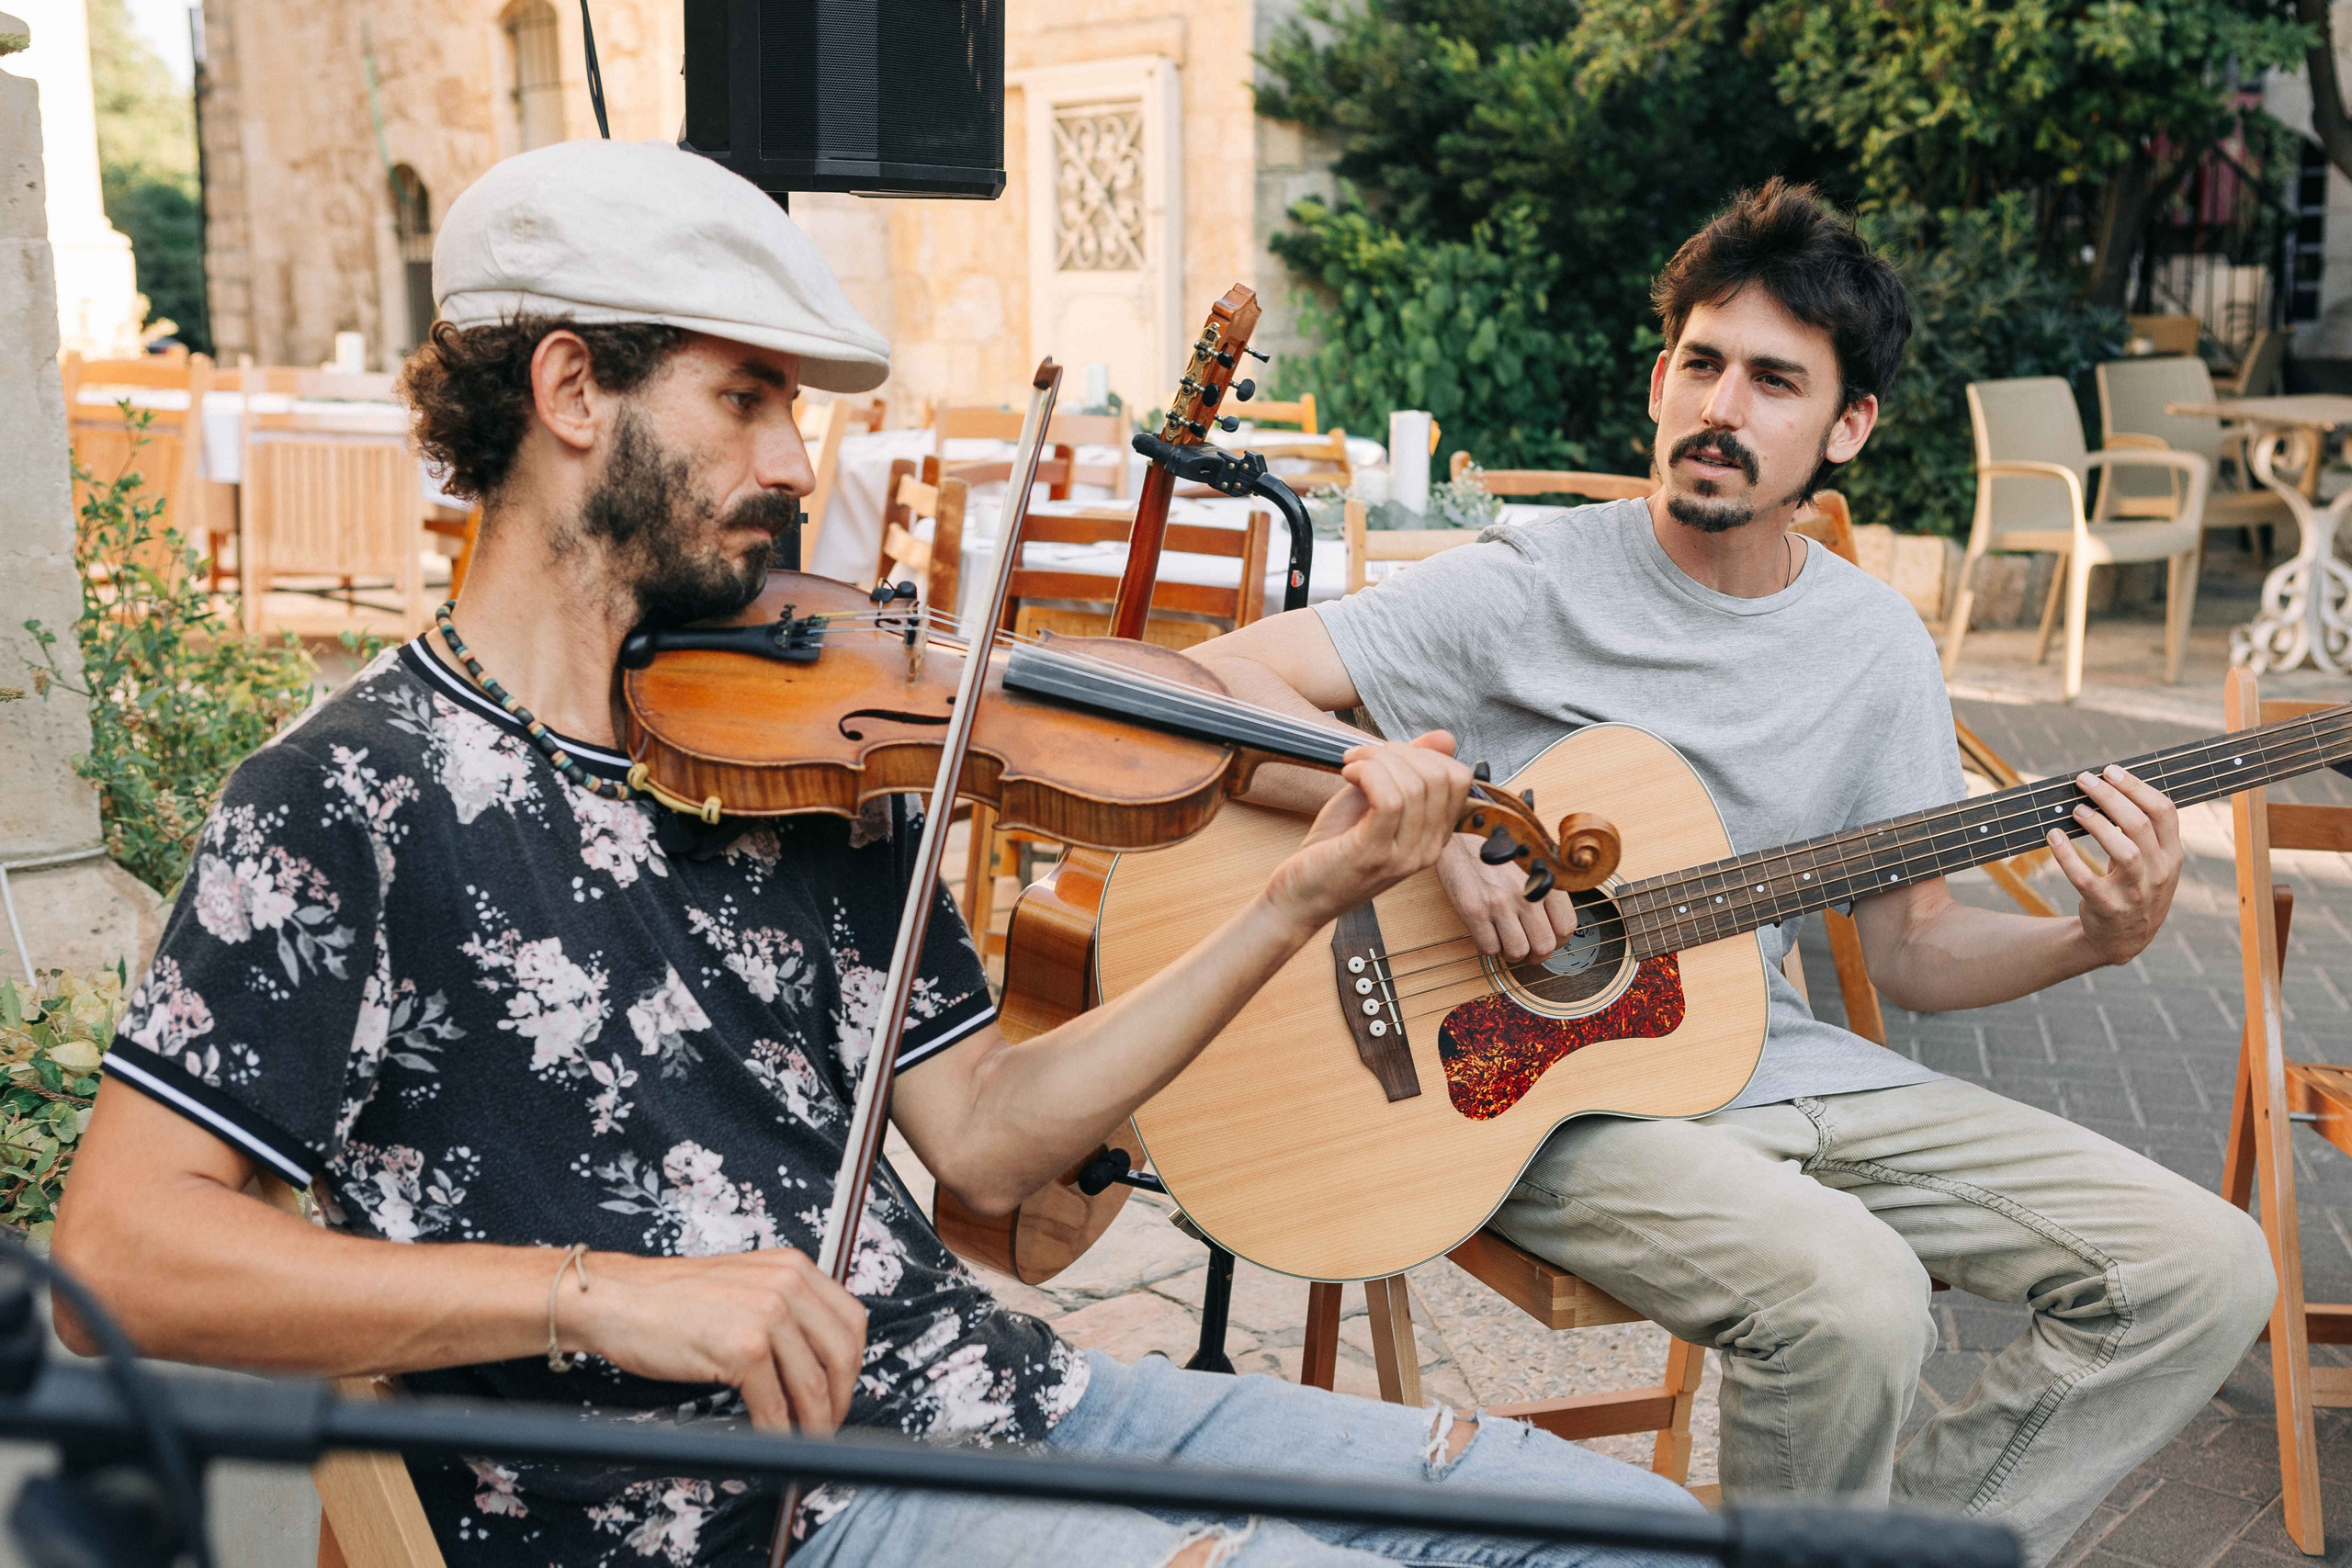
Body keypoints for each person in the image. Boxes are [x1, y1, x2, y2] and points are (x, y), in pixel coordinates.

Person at [49, 139, 1702, 1568]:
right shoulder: (343, 797)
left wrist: (1294, 901)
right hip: (747, 1514)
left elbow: (987, 1142)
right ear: (571, 391)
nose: (794, 461)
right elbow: (118, 1261)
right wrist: (589, 1293)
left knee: (1618, 1528)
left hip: (1004, 1400)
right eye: (748, 396)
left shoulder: (809, 755)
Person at [1190, 179, 2274, 1568]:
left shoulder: (1876, 646)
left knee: (2204, 1268)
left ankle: (1844, 1557)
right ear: (1659, 380)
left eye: (1775, 381)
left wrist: (2092, 941)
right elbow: (1210, 685)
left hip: (1782, 1062)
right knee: (1860, 1296)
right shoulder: (1530, 581)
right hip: (1529, 1083)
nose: (1726, 406)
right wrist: (1434, 825)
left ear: (1848, 430)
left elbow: (1915, 952)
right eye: (1703, 363)